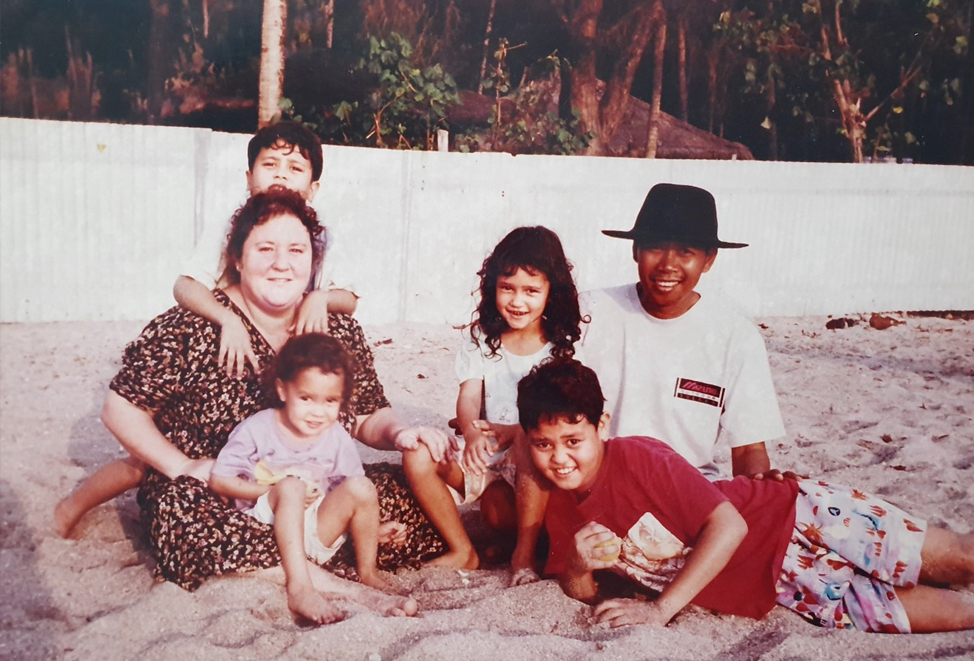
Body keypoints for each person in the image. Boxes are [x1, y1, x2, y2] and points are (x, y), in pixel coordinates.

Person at [59, 190, 448, 619]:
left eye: (296, 250)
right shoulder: (196, 323)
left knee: (407, 504)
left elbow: (367, 414)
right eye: (266, 249)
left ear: (313, 261)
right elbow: (120, 407)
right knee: (183, 513)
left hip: (315, 486)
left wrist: (399, 433)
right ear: (238, 259)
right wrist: (180, 466)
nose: (282, 263)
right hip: (220, 492)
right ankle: (343, 588)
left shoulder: (334, 326)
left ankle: (321, 558)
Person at [517, 359, 974, 633]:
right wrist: (577, 567)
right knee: (955, 615)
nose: (559, 458)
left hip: (800, 516)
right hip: (783, 588)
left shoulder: (638, 456)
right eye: (544, 444)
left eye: (573, 440)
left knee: (959, 558)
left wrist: (660, 610)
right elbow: (580, 592)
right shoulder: (555, 503)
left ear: (600, 426)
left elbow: (729, 523)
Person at [508, 183, 789, 582]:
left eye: (687, 252)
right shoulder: (590, 312)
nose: (668, 265)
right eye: (656, 247)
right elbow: (541, 410)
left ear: (709, 260)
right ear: (635, 249)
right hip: (591, 491)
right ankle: (522, 554)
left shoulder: (735, 336)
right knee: (528, 437)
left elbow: (749, 451)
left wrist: (760, 491)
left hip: (686, 502)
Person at [402, 226, 585, 570]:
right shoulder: (482, 337)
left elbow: (563, 415)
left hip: (534, 457)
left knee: (520, 466)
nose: (517, 302)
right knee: (417, 455)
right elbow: (469, 395)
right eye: (507, 288)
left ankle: (524, 554)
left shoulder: (560, 348)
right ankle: (462, 550)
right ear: (493, 287)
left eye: (531, 290)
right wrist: (471, 433)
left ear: (551, 292)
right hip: (487, 452)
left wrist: (516, 431)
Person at [210, 333, 407, 623]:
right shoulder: (258, 428)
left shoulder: (336, 436)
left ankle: (368, 572)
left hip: (315, 531)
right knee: (291, 486)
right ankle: (300, 587)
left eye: (330, 401)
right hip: (264, 532)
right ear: (282, 390)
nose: (317, 412)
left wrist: (370, 529)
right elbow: (219, 480)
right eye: (306, 398)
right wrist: (268, 489)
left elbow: (352, 495)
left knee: (362, 487)